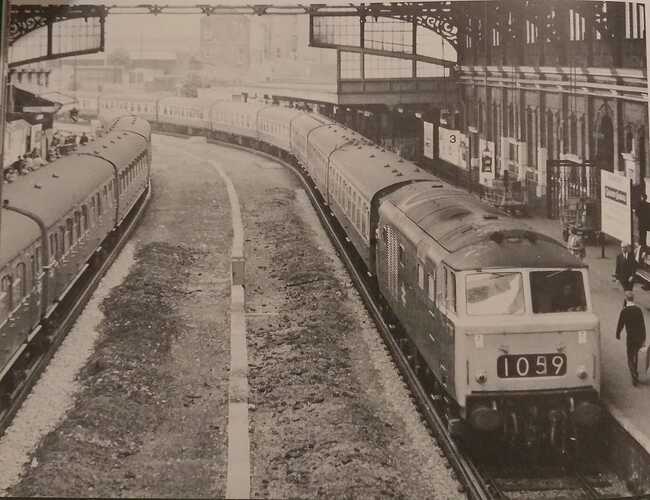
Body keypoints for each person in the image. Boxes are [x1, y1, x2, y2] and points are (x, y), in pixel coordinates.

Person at [616, 291, 647, 386]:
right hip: (639, 337)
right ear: (633, 299)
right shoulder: (638, 310)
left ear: (625, 299)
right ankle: (636, 371)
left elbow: (620, 324)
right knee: (636, 355)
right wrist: (644, 338)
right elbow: (642, 325)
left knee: (630, 356)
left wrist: (618, 334)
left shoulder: (624, 311)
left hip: (630, 338)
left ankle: (633, 373)